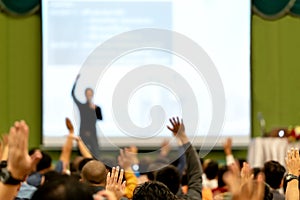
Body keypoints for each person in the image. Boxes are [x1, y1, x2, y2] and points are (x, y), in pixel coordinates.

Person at [71, 74, 103, 159]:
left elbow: (100, 118)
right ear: (85, 95)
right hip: (83, 132)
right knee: (82, 152)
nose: (89, 95)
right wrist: (75, 82)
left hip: (93, 133)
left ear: (92, 95)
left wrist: (95, 110)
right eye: (87, 94)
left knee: (96, 153)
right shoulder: (82, 106)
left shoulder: (96, 107)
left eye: (90, 94)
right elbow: (73, 95)